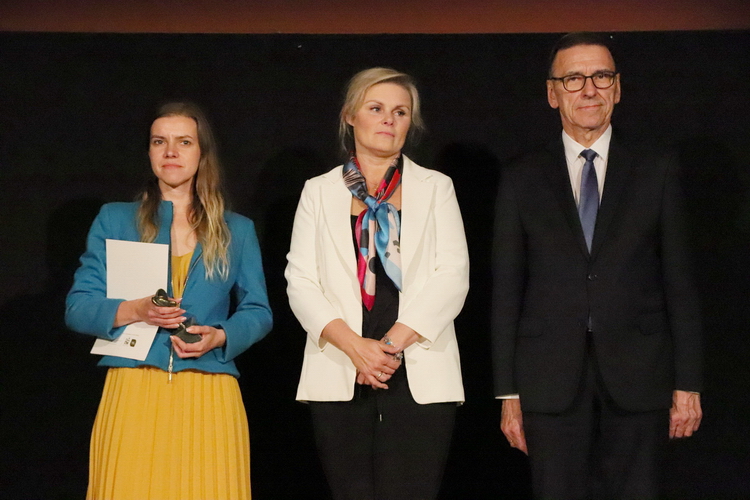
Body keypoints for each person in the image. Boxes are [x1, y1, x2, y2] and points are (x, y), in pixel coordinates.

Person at [492, 32, 703, 499]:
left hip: (640, 375)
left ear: (618, 88)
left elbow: (680, 282)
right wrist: (508, 393)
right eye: (573, 79)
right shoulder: (521, 176)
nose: (589, 89)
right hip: (548, 379)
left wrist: (688, 383)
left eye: (601, 76)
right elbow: (506, 290)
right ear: (552, 94)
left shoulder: (657, 168)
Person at [66, 102, 272, 499]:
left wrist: (221, 336)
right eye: (159, 141)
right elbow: (78, 307)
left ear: (202, 152)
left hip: (209, 390)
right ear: (149, 151)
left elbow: (258, 311)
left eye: (184, 142)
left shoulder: (237, 230)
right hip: (133, 388)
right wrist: (134, 310)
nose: (171, 152)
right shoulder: (115, 219)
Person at [285, 67, 469, 500]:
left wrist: (386, 349)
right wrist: (356, 348)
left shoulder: (437, 187)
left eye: (400, 112)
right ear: (350, 116)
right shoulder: (317, 191)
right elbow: (301, 281)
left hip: (416, 364)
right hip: (341, 365)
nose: (389, 119)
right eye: (376, 108)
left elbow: (453, 276)